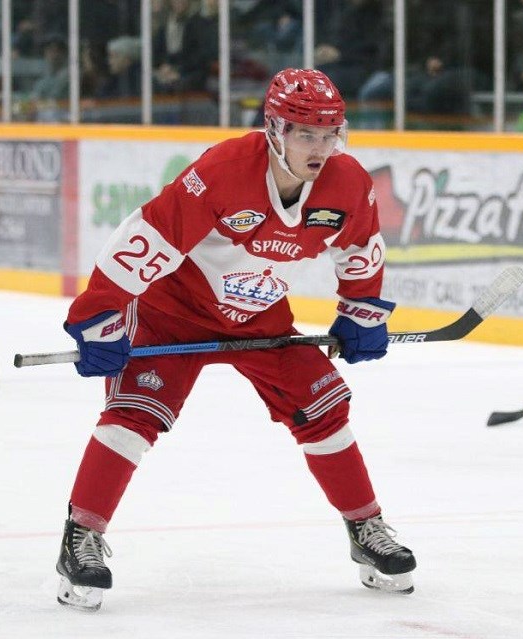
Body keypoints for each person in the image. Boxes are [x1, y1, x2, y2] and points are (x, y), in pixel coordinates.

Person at [53, 68, 416, 611]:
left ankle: (366, 529)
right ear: (274, 129)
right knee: (135, 414)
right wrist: (101, 314)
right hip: (175, 312)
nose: (321, 148)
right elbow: (147, 234)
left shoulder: (348, 183)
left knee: (322, 409)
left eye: (330, 134)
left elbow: (360, 249)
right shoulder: (224, 169)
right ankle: (80, 536)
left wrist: (361, 314)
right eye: (306, 135)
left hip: (261, 317)